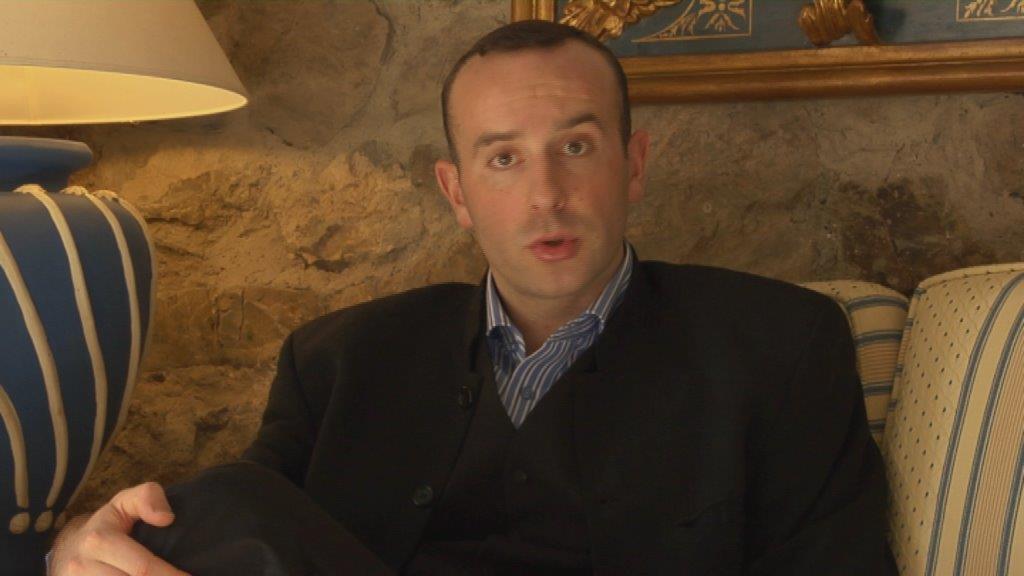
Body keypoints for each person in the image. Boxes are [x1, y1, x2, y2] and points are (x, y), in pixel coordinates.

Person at [48, 20, 896, 575]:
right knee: (216, 499)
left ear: (632, 165)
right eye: (504, 159)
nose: (546, 196)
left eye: (576, 146)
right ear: (456, 191)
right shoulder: (340, 359)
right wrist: (79, 548)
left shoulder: (781, 345)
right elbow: (228, 531)